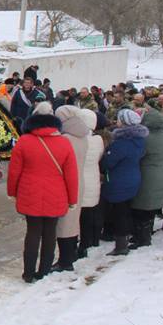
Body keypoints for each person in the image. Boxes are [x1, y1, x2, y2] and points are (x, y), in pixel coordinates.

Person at [7, 113, 79, 283]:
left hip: (29, 192)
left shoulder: (24, 141)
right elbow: (71, 175)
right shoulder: (64, 143)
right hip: (57, 193)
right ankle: (44, 270)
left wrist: (12, 192)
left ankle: (28, 272)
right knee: (50, 233)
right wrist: (72, 199)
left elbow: (14, 171)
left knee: (32, 232)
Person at [101, 109, 147, 255]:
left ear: (125, 122)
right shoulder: (139, 140)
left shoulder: (122, 143)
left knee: (119, 213)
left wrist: (105, 154)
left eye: (119, 119)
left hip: (119, 181)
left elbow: (108, 163)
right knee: (126, 210)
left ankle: (121, 246)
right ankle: (126, 238)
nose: (117, 121)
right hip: (133, 177)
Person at [53, 106, 92, 271]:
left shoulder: (66, 139)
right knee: (73, 222)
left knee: (64, 224)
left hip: (67, 184)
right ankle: (70, 255)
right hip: (79, 182)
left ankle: (65, 261)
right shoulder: (83, 136)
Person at [128, 105, 163, 249]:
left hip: (147, 175)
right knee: (150, 208)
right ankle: (145, 234)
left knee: (141, 208)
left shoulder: (145, 139)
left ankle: (142, 238)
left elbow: (139, 156)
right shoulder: (162, 136)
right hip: (160, 174)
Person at [77, 110, 105, 257]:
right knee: (91, 212)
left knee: (80, 216)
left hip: (81, 180)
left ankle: (82, 243)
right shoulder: (98, 140)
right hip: (93, 178)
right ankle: (91, 240)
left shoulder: (78, 140)